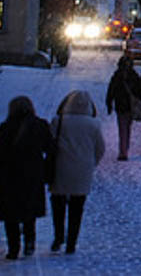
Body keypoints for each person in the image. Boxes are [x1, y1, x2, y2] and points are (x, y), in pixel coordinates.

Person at [0, 96, 50, 260]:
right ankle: (30, 242)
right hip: (33, 175)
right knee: (29, 212)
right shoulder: (40, 126)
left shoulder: (6, 127)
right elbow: (50, 149)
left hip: (9, 175)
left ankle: (13, 247)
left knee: (11, 214)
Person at [48, 90, 105, 255]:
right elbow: (100, 148)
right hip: (82, 170)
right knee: (77, 208)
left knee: (58, 205)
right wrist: (91, 163)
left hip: (60, 168)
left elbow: (50, 143)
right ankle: (72, 242)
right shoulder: (94, 124)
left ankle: (58, 236)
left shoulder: (58, 121)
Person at [105, 56, 141, 160]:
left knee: (122, 128)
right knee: (128, 128)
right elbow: (140, 90)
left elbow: (111, 90)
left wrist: (109, 103)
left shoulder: (117, 76)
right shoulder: (134, 76)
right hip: (130, 106)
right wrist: (140, 102)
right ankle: (125, 149)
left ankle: (123, 151)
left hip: (121, 105)